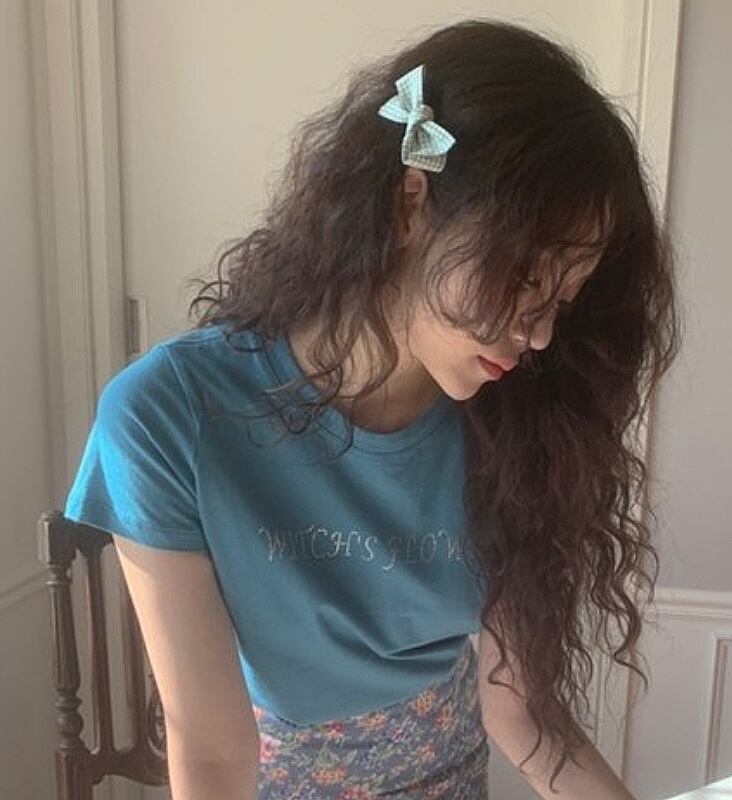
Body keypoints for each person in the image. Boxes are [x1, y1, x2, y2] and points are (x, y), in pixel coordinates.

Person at [61, 17, 683, 800]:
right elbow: (214, 751)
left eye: (563, 299)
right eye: (525, 275)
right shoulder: (168, 416)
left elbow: (520, 713)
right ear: (411, 202)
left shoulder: (518, 426)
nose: (539, 334)